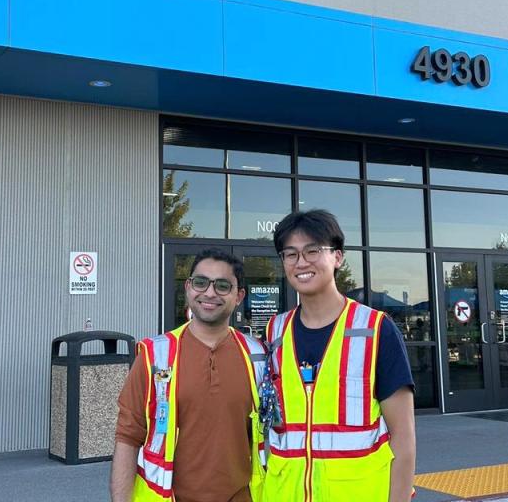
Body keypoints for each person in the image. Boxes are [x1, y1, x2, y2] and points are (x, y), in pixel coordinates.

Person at [261, 210, 416, 502]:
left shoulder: (375, 329)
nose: (301, 262)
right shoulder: (274, 331)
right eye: (290, 254)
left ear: (338, 257)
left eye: (312, 251)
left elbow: (403, 436)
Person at [110, 248, 267, 502]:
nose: (210, 293)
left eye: (223, 286)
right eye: (201, 282)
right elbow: (128, 437)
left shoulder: (257, 356)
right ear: (188, 287)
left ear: (239, 296)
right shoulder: (155, 355)